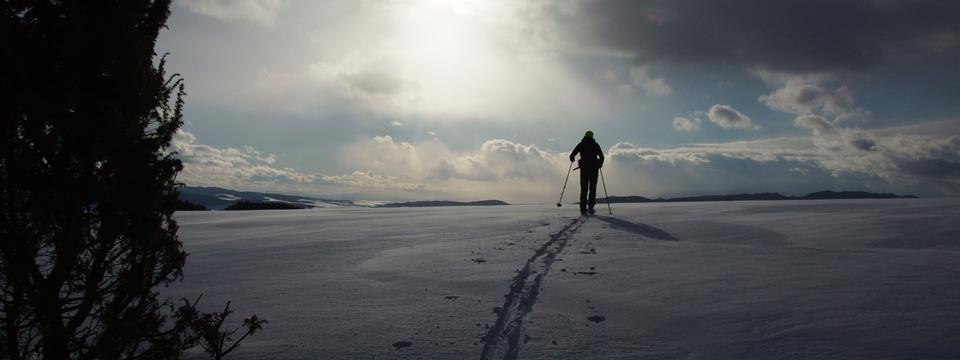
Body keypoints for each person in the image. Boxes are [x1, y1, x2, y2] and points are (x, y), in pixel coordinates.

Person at [569, 130, 605, 215]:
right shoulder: (595, 145)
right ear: (592, 136)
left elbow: (572, 155)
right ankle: (591, 207)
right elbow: (602, 157)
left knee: (584, 189)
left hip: (584, 169)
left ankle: (583, 209)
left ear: (585, 136)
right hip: (594, 169)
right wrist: (599, 164)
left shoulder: (581, 144)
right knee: (592, 188)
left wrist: (572, 159)